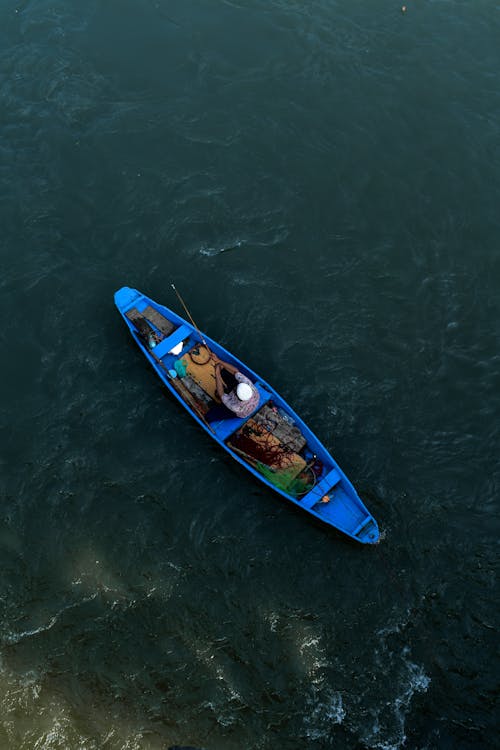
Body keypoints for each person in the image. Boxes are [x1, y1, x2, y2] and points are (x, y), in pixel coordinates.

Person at [207, 354, 260, 421]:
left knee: (210, 416)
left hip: (239, 412)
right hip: (247, 402)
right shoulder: (248, 384)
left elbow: (221, 394)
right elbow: (236, 371)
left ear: (235, 394)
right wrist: (219, 361)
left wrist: (217, 373)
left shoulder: (235, 407)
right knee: (227, 373)